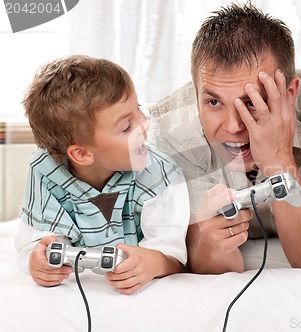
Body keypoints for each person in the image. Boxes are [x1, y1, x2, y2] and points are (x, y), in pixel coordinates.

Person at [149, 3, 301, 274]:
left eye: (251, 103)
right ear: (195, 95)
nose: (233, 126)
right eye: (214, 102)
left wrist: (279, 163)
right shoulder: (173, 133)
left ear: (289, 94)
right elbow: (205, 262)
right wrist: (210, 241)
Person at [14, 55, 190, 295]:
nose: (144, 124)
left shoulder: (160, 174)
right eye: (126, 126)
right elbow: (36, 241)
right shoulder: (45, 172)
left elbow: (173, 255)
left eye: (138, 109)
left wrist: (154, 262)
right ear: (82, 154)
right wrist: (39, 260)